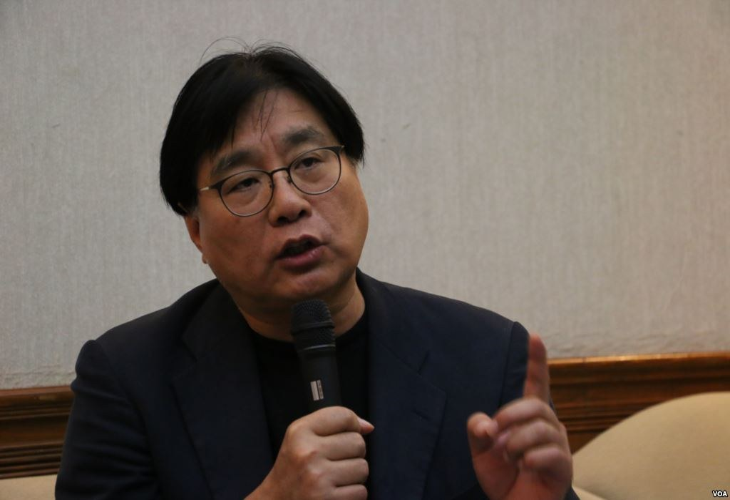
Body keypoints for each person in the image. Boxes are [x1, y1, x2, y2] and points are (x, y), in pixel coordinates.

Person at [57, 45, 578, 500]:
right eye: (244, 183)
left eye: (309, 162)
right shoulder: (127, 382)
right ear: (196, 231)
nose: (288, 203)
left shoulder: (488, 357)